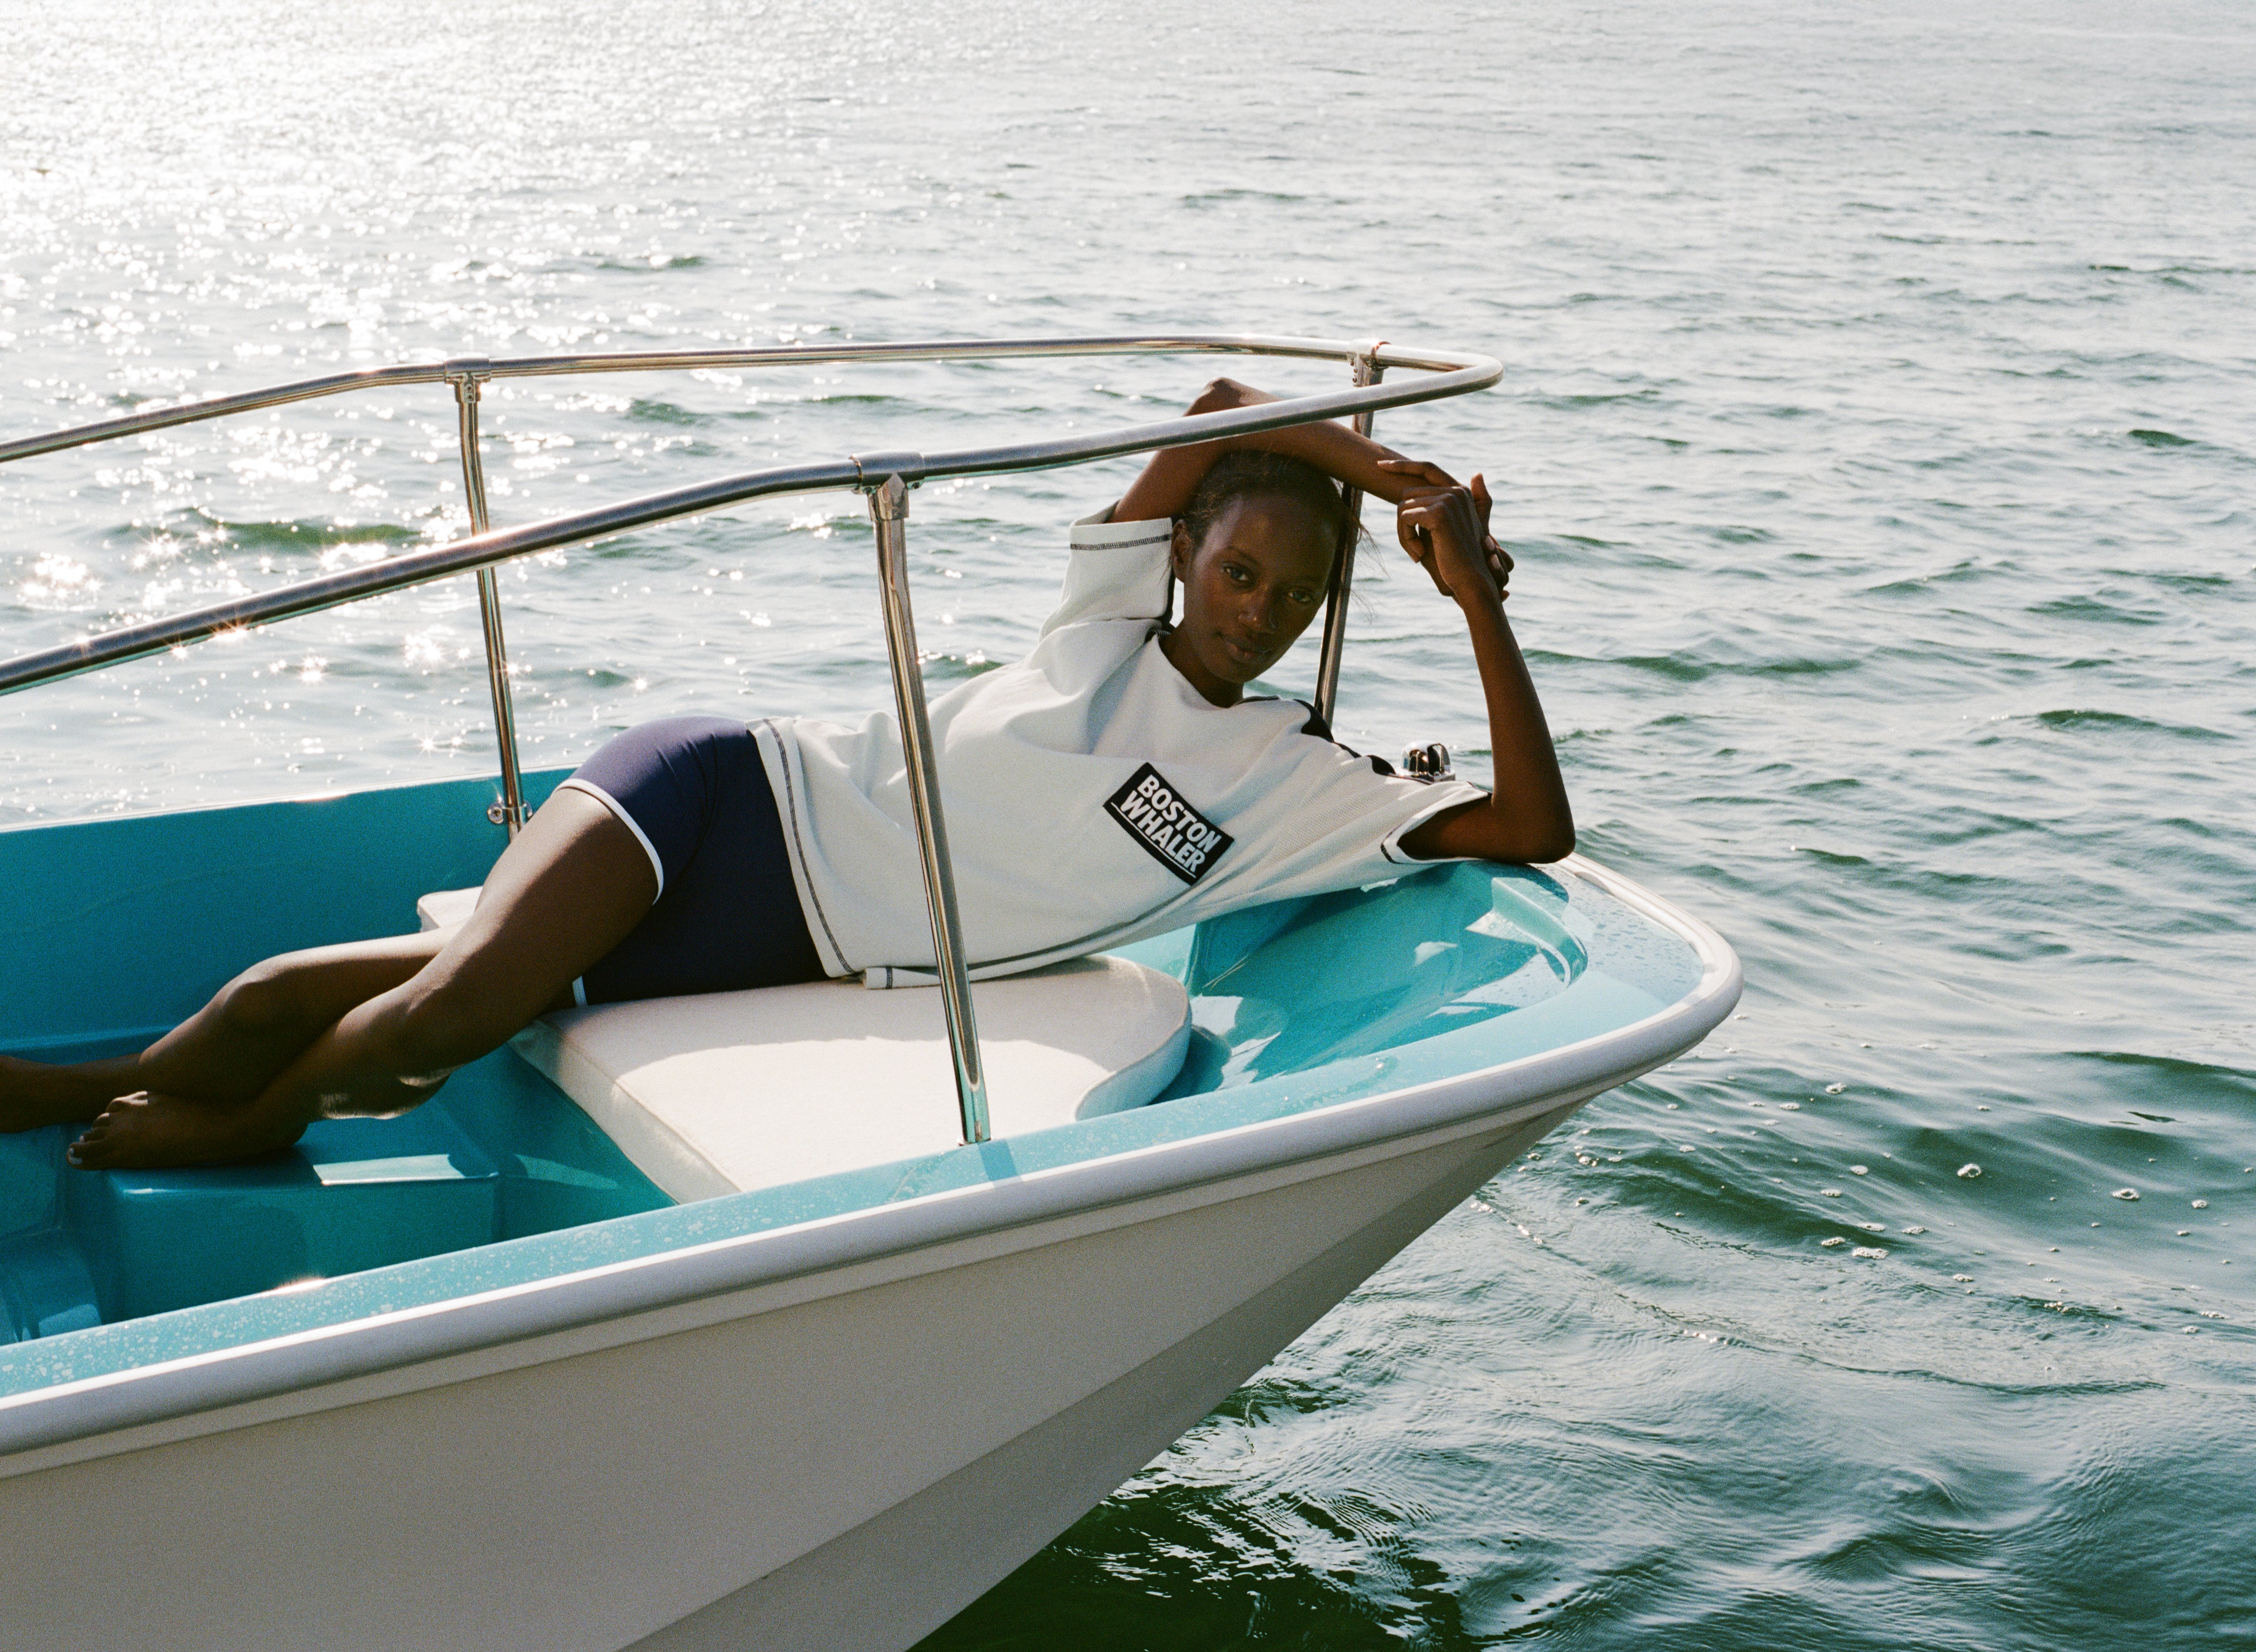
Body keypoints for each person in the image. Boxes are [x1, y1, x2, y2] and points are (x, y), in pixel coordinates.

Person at [0, 378, 1573, 1172]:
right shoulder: (1107, 625)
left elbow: (1530, 825)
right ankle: (226, 1124)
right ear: (1187, 556)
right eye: (1243, 575)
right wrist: (1389, 473)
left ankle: (81, 1102)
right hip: (717, 797)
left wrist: (1475, 596)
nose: (1266, 613)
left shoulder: (1292, 780)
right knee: (455, 1006)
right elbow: (1230, 411)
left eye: (1297, 599)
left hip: (780, 943)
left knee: (381, 980)